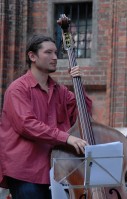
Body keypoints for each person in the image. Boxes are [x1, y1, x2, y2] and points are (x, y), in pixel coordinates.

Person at [0, 34, 92, 199]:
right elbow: (26, 124)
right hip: (26, 171)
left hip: (56, 170)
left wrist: (78, 82)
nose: (55, 57)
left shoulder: (61, 91)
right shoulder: (17, 89)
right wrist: (67, 138)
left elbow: (84, 114)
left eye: (56, 53)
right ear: (32, 56)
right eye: (48, 52)